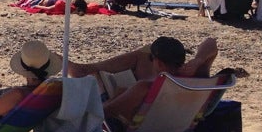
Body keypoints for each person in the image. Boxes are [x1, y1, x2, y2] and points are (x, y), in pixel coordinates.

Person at [68, 36, 218, 111]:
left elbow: (107, 112)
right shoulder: (197, 78)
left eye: (151, 58)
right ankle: (84, 70)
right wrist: (198, 60)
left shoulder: (145, 87)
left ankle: (86, 70)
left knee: (97, 77)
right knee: (140, 57)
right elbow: (211, 42)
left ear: (158, 63)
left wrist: (120, 95)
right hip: (181, 131)